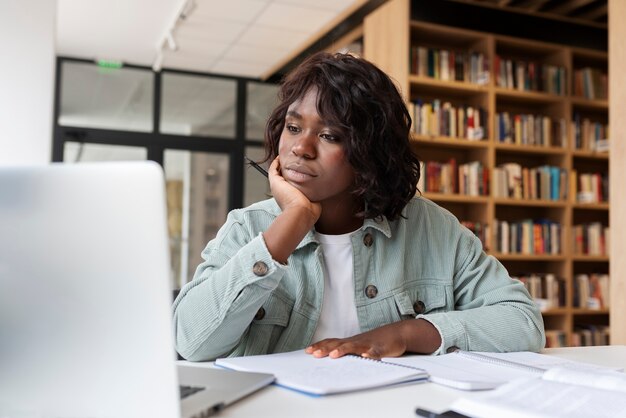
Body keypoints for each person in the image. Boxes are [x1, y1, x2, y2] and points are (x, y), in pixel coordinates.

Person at [172, 52, 545, 362]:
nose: (301, 148)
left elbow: (522, 323)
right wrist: (293, 221)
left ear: (371, 152)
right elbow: (191, 343)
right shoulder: (247, 227)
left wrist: (406, 333)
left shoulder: (431, 228)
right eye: (294, 127)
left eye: (330, 135)